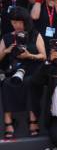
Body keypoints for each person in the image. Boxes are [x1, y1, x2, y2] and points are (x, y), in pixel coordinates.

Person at [0, 7, 46, 138]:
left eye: (19, 22)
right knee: (7, 84)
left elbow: (43, 56)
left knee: (29, 82)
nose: (17, 25)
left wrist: (30, 55)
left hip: (33, 69)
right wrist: (6, 51)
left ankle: (33, 120)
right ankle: (8, 121)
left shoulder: (35, 34)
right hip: (15, 71)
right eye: (14, 22)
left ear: (25, 21)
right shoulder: (7, 37)